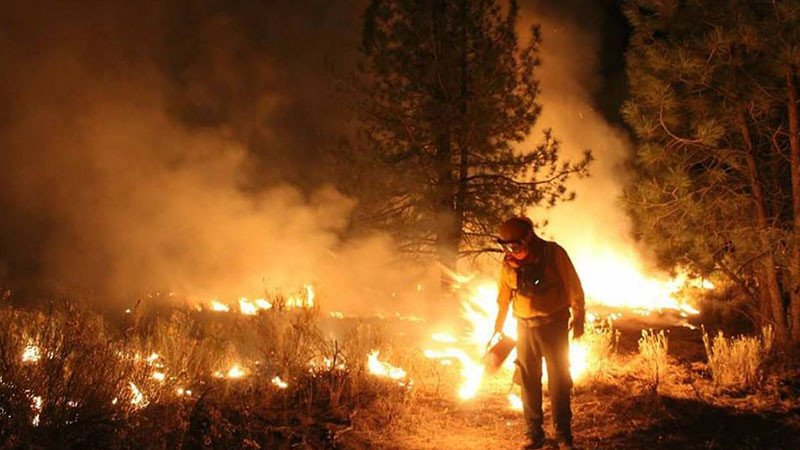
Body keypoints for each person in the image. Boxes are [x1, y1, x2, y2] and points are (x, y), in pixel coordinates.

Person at [492, 216, 585, 450]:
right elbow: (503, 300)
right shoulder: (508, 265)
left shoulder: (554, 254)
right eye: (506, 246)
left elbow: (574, 285)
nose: (511, 251)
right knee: (528, 380)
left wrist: (579, 315)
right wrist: (497, 329)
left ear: (528, 239)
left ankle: (563, 435)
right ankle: (534, 433)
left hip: (554, 325)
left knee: (559, 380)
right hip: (524, 327)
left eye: (515, 246)